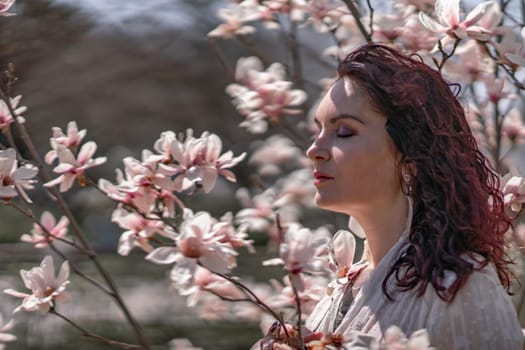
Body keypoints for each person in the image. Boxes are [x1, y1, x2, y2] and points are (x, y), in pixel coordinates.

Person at [303, 43, 524, 349]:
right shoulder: (345, 283)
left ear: (410, 156)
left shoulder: (458, 288)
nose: (313, 151)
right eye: (318, 131)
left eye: (344, 132)